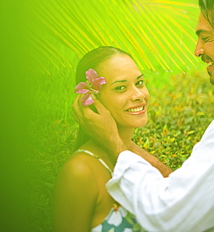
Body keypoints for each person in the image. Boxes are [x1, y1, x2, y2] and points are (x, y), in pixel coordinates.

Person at [73, 0, 214, 232]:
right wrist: (123, 145)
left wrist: (115, 144)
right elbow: (191, 192)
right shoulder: (80, 170)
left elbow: (169, 214)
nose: (197, 50)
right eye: (121, 87)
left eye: (205, 37)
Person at [52, 46, 172, 232]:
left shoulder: (140, 160)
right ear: (91, 99)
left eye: (139, 83)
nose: (139, 95)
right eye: (121, 88)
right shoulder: (80, 172)